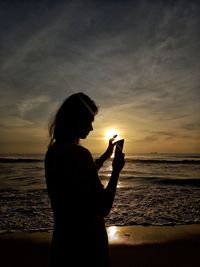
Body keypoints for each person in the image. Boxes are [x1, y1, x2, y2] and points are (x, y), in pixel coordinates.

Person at [44, 92, 125, 267]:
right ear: (75, 119)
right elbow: (103, 207)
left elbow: (79, 178)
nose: (91, 128)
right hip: (88, 245)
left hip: (63, 242)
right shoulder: (79, 154)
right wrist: (116, 170)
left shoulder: (53, 152)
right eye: (89, 121)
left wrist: (104, 156)